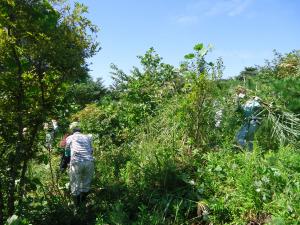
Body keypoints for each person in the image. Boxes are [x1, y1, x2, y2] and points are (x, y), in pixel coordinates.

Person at [65, 122, 94, 206]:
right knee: (85, 185)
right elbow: (91, 151)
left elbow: (66, 152)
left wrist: (66, 163)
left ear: (72, 131)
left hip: (77, 162)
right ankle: (83, 205)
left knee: (75, 185)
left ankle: (76, 207)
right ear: (80, 130)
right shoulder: (87, 137)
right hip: (89, 162)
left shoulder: (70, 137)